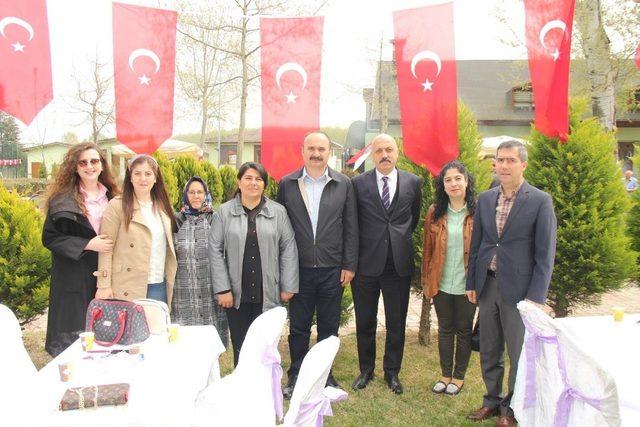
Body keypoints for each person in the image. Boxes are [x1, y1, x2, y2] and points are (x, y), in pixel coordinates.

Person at [465, 140, 556, 427]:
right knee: (490, 347)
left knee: (518, 352)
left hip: (520, 292)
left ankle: (512, 409)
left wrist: (536, 297)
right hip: (488, 286)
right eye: (499, 160)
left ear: (523, 164)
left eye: (510, 160)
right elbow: (478, 244)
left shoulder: (540, 201)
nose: (503, 165)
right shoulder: (486, 199)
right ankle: (491, 400)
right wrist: (473, 283)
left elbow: (545, 253)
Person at [277, 131, 358, 397]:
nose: (316, 153)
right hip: (298, 270)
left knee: (328, 328)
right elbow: (280, 228)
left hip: (332, 269)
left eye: (321, 149)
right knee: (298, 327)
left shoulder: (343, 183)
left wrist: (349, 264)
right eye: (311, 148)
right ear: (302, 151)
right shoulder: (287, 184)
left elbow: (351, 226)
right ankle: (297, 375)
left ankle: (325, 375)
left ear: (328, 152)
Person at [350, 133, 422, 395]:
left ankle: (392, 372)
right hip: (366, 265)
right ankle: (366, 370)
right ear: (372, 154)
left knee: (396, 322)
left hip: (398, 266)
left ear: (397, 152)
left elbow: (412, 219)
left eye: (389, 149)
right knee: (365, 321)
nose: (384, 155)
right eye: (379, 150)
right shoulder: (358, 184)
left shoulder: (413, 182)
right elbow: (353, 223)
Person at [209, 162, 299, 366]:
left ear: (264, 185)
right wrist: (223, 289)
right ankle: (242, 387)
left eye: (258, 179)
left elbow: (289, 247)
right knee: (241, 345)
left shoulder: (278, 212)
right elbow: (214, 250)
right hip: (235, 293)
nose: (253, 183)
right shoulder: (223, 212)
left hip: (267, 291)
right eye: (248, 178)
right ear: (239, 182)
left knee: (265, 346)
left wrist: (288, 285)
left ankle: (265, 388)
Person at [42, 142, 119, 356]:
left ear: (102, 165)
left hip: (106, 271)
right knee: (74, 332)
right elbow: (50, 238)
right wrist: (87, 244)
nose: (89, 166)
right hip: (73, 273)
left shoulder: (114, 197)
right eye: (83, 162)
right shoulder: (62, 200)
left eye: (94, 161)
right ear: (75, 167)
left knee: (107, 327)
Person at [422, 160, 476, 396]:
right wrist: (425, 280)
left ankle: (459, 377)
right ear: (442, 185)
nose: (453, 184)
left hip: (467, 285)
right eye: (448, 180)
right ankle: (445, 375)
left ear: (466, 182)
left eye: (458, 179)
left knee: (463, 330)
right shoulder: (435, 212)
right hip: (441, 281)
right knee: (445, 329)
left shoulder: (477, 211)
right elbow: (427, 249)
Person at [95, 154, 177, 305]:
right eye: (137, 173)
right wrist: (104, 284)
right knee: (128, 328)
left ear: (155, 178)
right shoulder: (117, 206)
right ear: (130, 177)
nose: (143, 179)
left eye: (148, 174)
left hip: (158, 284)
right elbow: (106, 247)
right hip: (127, 284)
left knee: (156, 328)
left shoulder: (164, 207)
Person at [172, 176, 229, 347]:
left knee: (210, 340)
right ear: (185, 195)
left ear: (206, 194)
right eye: (191, 192)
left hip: (210, 286)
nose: (196, 196)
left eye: (200, 192)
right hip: (183, 288)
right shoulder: (176, 220)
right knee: (186, 341)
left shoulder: (216, 219)